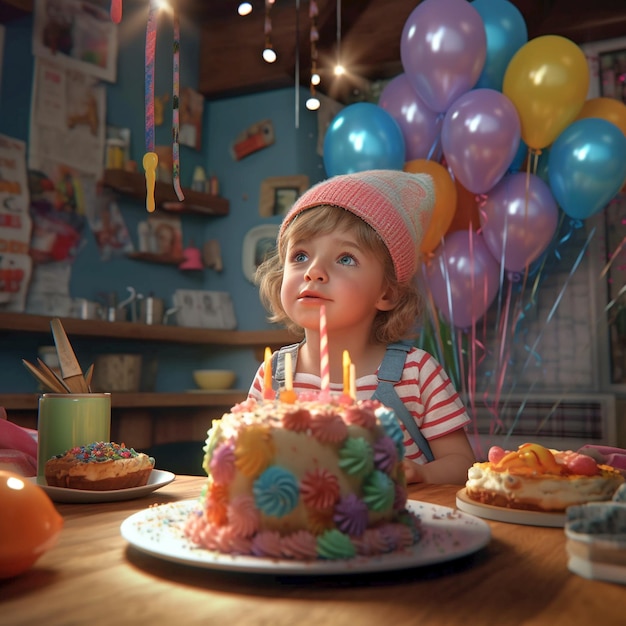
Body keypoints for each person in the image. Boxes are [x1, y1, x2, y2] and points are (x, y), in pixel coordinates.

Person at [249, 169, 475, 485]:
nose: (314, 271)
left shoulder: (416, 374)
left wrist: (420, 473)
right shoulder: (272, 374)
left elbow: (464, 464)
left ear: (387, 292)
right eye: (300, 255)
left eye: (345, 259)